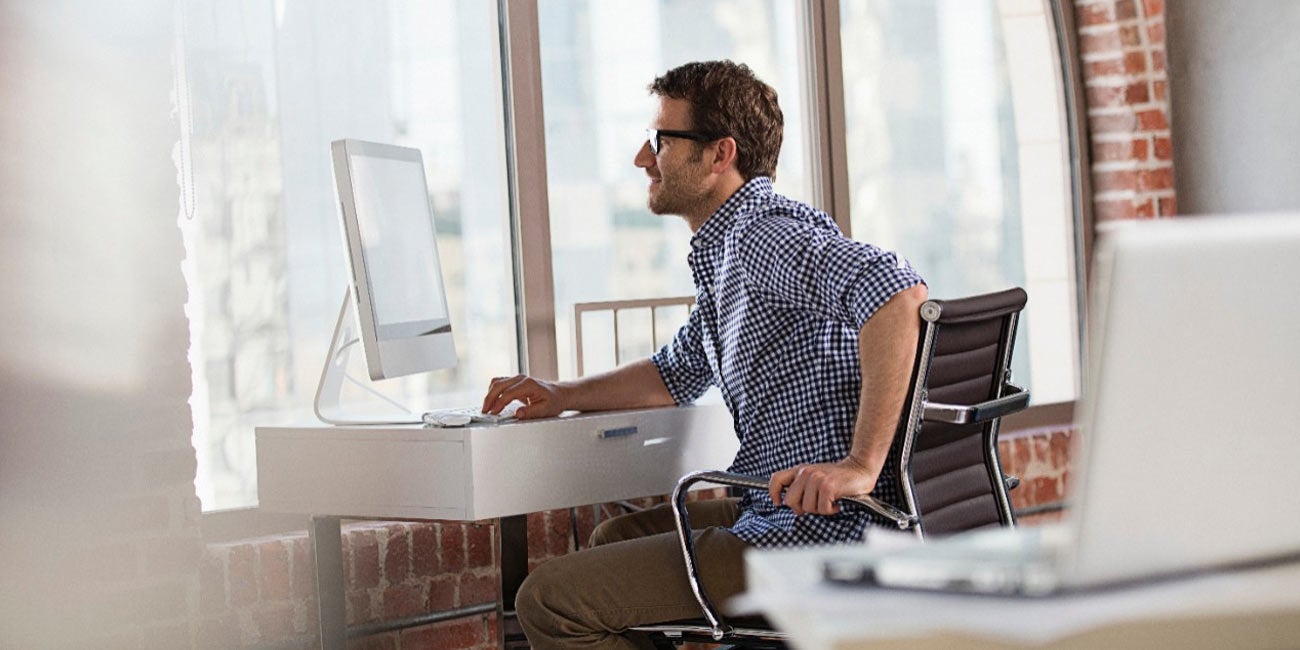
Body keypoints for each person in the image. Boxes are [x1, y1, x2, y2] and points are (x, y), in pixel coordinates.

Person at [480, 60, 927, 650]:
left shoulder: (760, 236)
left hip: (819, 533)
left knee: (546, 601)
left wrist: (861, 465)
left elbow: (897, 295)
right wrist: (563, 395)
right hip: (786, 505)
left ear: (720, 155)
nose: (644, 158)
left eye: (662, 140)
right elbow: (675, 372)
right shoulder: (729, 250)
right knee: (615, 537)